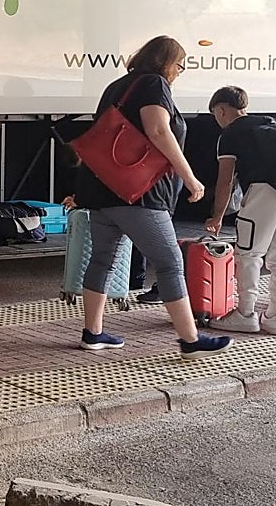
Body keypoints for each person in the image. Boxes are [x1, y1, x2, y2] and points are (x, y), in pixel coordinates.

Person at [75, 35, 233, 360]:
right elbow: (158, 130)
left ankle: (93, 332)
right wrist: (190, 177)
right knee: (170, 262)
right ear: (165, 61)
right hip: (138, 193)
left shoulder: (118, 86)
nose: (179, 71)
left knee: (103, 259)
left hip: (103, 187)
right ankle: (190, 339)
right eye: (179, 64)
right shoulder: (154, 84)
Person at [205, 85, 276, 336]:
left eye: (215, 115)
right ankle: (274, 316)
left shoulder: (230, 134)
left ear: (221, 110)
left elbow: (225, 180)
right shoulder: (273, 124)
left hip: (265, 190)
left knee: (249, 253)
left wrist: (217, 215)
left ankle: (246, 314)